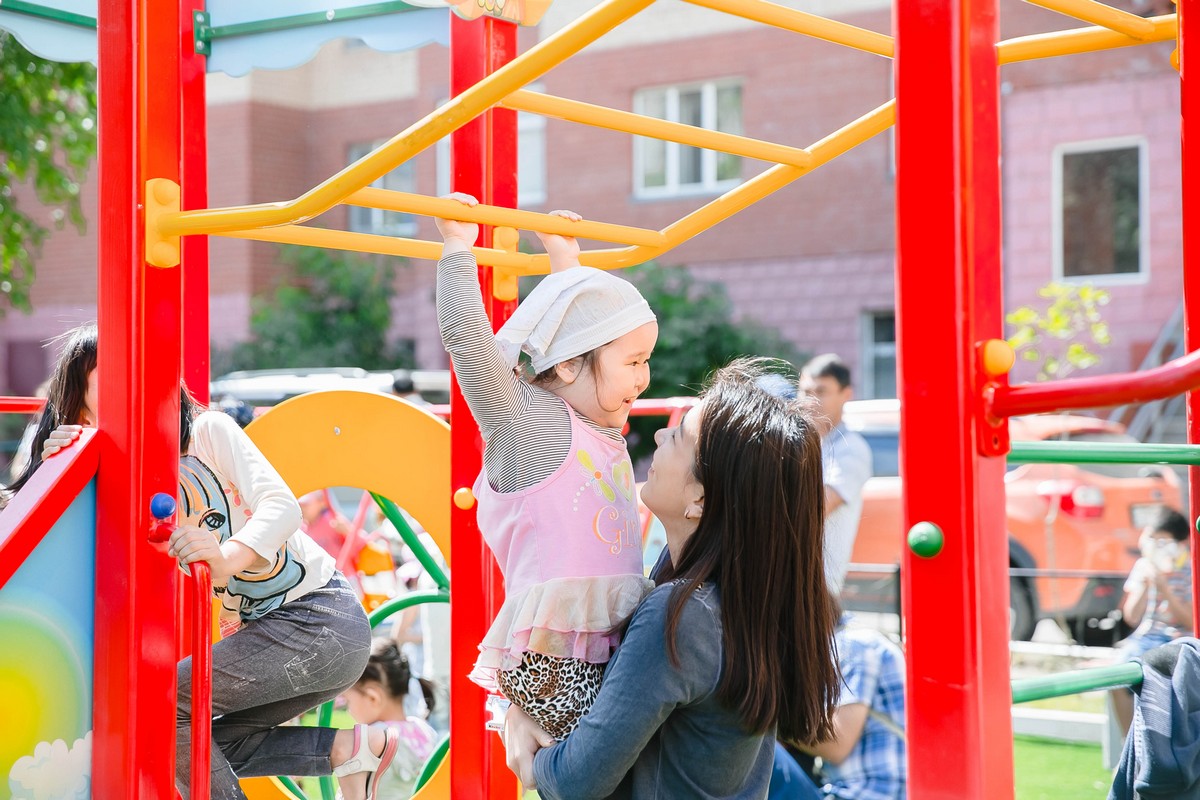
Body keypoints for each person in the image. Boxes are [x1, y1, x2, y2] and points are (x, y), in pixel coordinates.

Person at [6, 323, 403, 800]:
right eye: (112, 380)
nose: (135, 389)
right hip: (277, 632)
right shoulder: (120, 471)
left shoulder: (208, 432)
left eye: (143, 375)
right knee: (180, 740)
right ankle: (349, 751)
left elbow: (281, 506)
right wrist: (61, 467)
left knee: (159, 708)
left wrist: (227, 557)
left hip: (319, 619)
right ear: (80, 407)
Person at [502, 359, 842, 798]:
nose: (660, 436)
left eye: (678, 435)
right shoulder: (740, 598)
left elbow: (576, 781)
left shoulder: (683, 615)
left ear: (699, 499)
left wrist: (525, 737)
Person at [435, 194, 658, 740]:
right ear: (569, 365)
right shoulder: (528, 423)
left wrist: (565, 260)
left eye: (646, 361)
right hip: (554, 656)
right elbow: (470, 346)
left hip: (607, 639)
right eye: (633, 362)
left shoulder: (599, 427)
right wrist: (457, 248)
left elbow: (573, 325)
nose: (643, 378)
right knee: (606, 757)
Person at [771, 618, 907, 800]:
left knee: (760, 742)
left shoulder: (854, 644)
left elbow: (837, 743)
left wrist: (766, 720)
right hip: (853, 791)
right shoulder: (854, 642)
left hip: (864, 794)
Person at [1110, 506, 1193, 734]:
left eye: (1162, 541)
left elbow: (1191, 622)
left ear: (1180, 543)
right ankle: (1130, 743)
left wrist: (1165, 588)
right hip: (1147, 637)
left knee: (1169, 681)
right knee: (1117, 676)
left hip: (1179, 639)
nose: (1156, 546)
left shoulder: (1190, 568)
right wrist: (1146, 585)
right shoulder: (1143, 566)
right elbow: (1131, 616)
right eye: (1151, 539)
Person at [798, 354, 873, 596]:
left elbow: (814, 508)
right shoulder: (801, 445)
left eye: (821, 392)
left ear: (846, 394)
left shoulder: (850, 448)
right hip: (790, 581)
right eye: (805, 391)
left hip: (817, 589)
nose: (811, 401)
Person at [342, 638, 440, 799]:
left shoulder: (373, 739)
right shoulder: (423, 729)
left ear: (373, 698)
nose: (348, 711)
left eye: (348, 701)